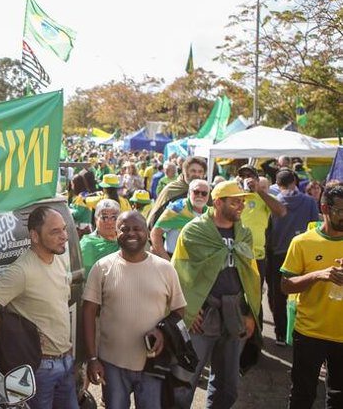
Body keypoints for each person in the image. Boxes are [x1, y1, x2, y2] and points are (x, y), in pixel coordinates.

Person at [0, 206, 78, 409]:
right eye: (55, 231)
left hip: (66, 361)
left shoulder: (60, 258)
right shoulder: (22, 271)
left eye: (64, 229)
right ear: (35, 236)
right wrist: (17, 343)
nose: (64, 236)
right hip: (38, 368)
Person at [84, 211, 187, 409]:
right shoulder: (102, 267)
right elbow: (88, 312)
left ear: (147, 233)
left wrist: (162, 331)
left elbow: (179, 309)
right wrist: (92, 358)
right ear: (116, 234)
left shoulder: (165, 269)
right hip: (112, 365)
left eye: (137, 228)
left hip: (152, 364)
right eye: (125, 229)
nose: (131, 233)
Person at [172, 181, 261, 408]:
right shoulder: (195, 230)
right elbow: (178, 272)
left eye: (242, 201)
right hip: (202, 315)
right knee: (184, 379)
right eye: (235, 202)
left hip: (235, 314)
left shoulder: (244, 233)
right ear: (218, 202)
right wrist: (187, 309)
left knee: (227, 385)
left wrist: (250, 314)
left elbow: (251, 276)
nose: (241, 206)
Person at [280, 183, 343, 409]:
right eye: (340, 211)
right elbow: (286, 286)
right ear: (324, 208)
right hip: (310, 332)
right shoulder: (303, 242)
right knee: (302, 395)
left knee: (338, 398)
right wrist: (318, 275)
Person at [266, 169, 319, 346]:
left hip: (280, 253)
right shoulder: (310, 201)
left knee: (280, 293)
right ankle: (303, 331)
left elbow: (269, 230)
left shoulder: (274, 203)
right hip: (306, 252)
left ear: (278, 184)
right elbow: (314, 227)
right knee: (306, 292)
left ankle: (281, 333)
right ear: (294, 182)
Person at [235, 167, 287, 307]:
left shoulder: (263, 197)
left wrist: (259, 190)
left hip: (256, 256)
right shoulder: (234, 196)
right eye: (242, 176)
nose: (246, 179)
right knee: (236, 297)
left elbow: (281, 212)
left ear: (257, 180)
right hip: (235, 255)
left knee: (254, 298)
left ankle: (255, 325)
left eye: (250, 176)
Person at [150, 179, 210, 260]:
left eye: (204, 193)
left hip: (198, 264)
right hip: (175, 260)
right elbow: (155, 234)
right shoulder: (177, 209)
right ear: (189, 193)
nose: (200, 196)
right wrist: (167, 260)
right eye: (196, 192)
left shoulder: (210, 214)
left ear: (208, 196)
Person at [147, 156, 207, 228]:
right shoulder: (171, 190)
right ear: (185, 172)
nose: (197, 175)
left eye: (200, 172)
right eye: (193, 171)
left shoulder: (206, 192)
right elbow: (155, 220)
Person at [80, 199, 120, 276]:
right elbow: (88, 274)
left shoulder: (124, 241)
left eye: (114, 217)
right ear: (96, 219)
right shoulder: (88, 243)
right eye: (104, 217)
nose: (110, 222)